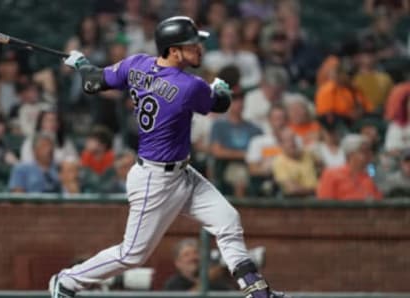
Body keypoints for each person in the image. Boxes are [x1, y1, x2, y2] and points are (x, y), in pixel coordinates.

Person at [50, 16, 286, 298]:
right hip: (155, 180)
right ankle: (67, 281)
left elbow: (93, 83)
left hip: (181, 173)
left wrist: (82, 64)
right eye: (192, 44)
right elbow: (220, 104)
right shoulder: (189, 86)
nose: (199, 48)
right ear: (174, 51)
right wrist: (221, 89)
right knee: (132, 255)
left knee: (227, 220)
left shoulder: (136, 63)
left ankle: (256, 291)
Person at [317, 134, 382, 201]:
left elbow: (379, 202)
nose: (369, 155)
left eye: (370, 151)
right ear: (351, 154)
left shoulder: (371, 174)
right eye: (364, 152)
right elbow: (324, 204)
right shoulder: (331, 174)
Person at [272, 129, 318, 197]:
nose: (292, 143)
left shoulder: (307, 153)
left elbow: (323, 168)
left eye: (293, 139)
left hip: (320, 196)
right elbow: (292, 189)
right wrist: (316, 190)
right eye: (287, 141)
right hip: (298, 201)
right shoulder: (279, 162)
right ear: (281, 144)